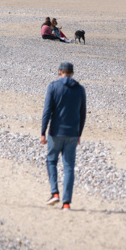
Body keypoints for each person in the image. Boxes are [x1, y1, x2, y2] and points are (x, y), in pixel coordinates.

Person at [41, 62, 87, 210]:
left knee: (51, 161)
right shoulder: (80, 89)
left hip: (56, 132)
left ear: (59, 72)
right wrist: (79, 133)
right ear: (72, 73)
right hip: (73, 133)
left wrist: (43, 132)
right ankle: (66, 203)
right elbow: (83, 113)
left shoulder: (53, 87)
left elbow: (47, 111)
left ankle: (55, 193)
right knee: (69, 167)